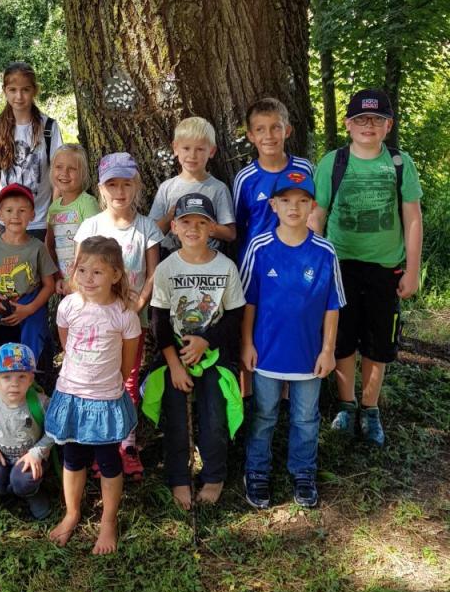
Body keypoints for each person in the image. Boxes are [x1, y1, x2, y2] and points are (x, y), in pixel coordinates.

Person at [309, 88, 423, 447]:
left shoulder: (400, 163)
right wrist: (312, 265)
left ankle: (370, 409)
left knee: (378, 339)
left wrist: (412, 269)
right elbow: (317, 214)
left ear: (388, 125)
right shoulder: (333, 162)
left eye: (376, 119)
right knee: (342, 337)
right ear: (348, 124)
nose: (368, 125)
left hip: (385, 267)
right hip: (340, 265)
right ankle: (346, 405)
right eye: (361, 119)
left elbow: (413, 218)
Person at [240, 169, 345, 509]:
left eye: (302, 201)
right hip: (267, 353)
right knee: (264, 415)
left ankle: (303, 471)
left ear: (313, 206)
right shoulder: (259, 247)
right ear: (273, 205)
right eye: (285, 200)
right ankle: (257, 471)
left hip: (308, 355)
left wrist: (328, 350)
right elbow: (248, 302)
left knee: (305, 418)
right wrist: (247, 343)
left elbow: (332, 306)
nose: (294, 208)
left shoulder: (325, 251)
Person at [45, 236, 141, 554]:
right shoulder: (69, 306)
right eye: (82, 270)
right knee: (72, 458)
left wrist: (107, 386)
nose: (88, 279)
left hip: (105, 400)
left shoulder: (124, 314)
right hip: (71, 395)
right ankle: (72, 513)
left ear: (115, 275)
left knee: (108, 461)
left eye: (97, 272)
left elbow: (128, 362)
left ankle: (108, 521)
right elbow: (66, 344)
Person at [150, 194, 245, 509]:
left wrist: (207, 341)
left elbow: (235, 315)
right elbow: (159, 321)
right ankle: (179, 477)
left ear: (212, 228)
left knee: (214, 416)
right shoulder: (166, 268)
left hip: (214, 353)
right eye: (186, 222)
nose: (193, 228)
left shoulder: (226, 267)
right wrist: (174, 365)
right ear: (174, 227)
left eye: (202, 222)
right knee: (176, 419)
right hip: (175, 356)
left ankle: (214, 476)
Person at [74, 152, 162, 478]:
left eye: (126, 184)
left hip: (131, 322)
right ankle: (103, 444)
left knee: (128, 380)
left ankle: (127, 443)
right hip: (97, 324)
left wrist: (138, 306)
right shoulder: (91, 226)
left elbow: (153, 274)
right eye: (112, 184)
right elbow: (78, 272)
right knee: (100, 381)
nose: (120, 192)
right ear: (101, 188)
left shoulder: (146, 227)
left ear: (136, 185)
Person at [0, 184, 56, 374]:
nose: (15, 216)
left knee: (27, 364)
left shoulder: (37, 248)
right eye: (9, 210)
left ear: (32, 215)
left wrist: (29, 309)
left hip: (27, 318)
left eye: (22, 210)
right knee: (1, 365)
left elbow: (49, 285)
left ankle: (32, 387)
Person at [0, 342, 54, 525]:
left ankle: (30, 493)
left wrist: (37, 452)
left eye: (22, 376)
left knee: (24, 480)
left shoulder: (40, 403)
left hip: (28, 457)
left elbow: (54, 430)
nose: (14, 384)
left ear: (31, 378)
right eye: (6, 377)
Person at [0, 61, 63, 241]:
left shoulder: (48, 128)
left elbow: (57, 177)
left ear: (34, 90)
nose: (19, 96)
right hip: (7, 221)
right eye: (12, 90)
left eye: (25, 90)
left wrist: (52, 219)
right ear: (5, 91)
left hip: (39, 221)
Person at [233, 97, 314, 262]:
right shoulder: (245, 179)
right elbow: (238, 226)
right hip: (260, 261)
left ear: (287, 131)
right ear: (251, 135)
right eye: (260, 129)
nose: (269, 136)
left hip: (298, 259)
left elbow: (314, 213)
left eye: (276, 127)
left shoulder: (304, 169)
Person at [149, 116, 236, 258]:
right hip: (172, 258)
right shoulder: (167, 188)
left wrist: (205, 225)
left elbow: (230, 234)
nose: (192, 155)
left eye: (200, 149)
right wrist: (170, 217)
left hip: (207, 259)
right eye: (186, 148)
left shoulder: (218, 188)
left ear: (211, 151)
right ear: (175, 148)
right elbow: (151, 233)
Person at [46, 143, 99, 294]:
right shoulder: (53, 208)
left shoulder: (87, 203)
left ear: (83, 173)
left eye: (72, 169)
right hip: (64, 283)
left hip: (87, 282)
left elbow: (95, 246)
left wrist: (76, 280)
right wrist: (58, 278)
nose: (64, 173)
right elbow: (50, 246)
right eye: (59, 167)